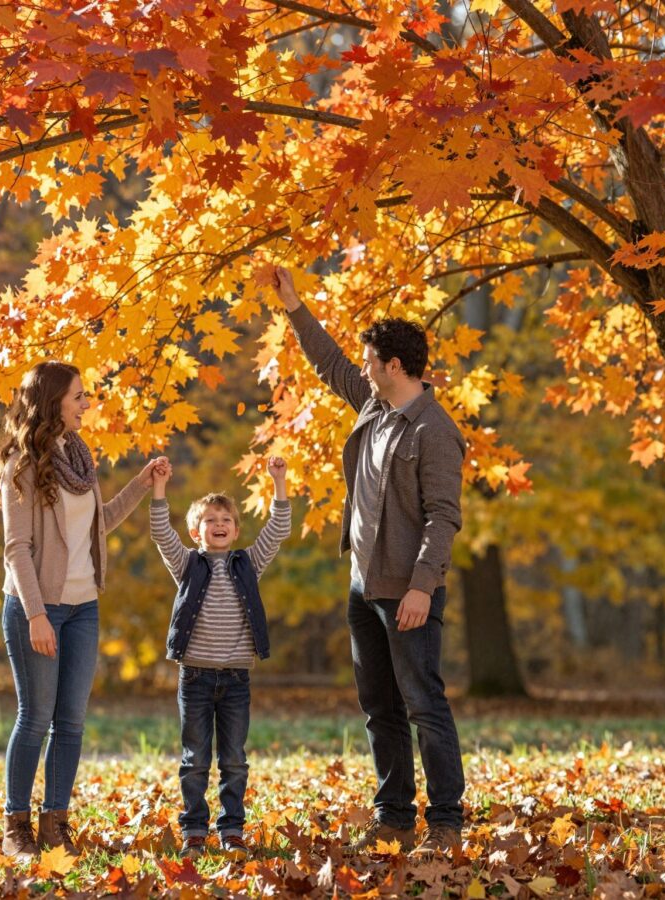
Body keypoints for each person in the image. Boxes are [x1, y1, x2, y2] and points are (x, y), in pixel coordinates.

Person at [270, 266, 467, 859]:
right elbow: (330, 363)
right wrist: (294, 305)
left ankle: (446, 822)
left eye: (370, 362)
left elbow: (443, 518)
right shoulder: (374, 409)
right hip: (363, 585)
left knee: (424, 704)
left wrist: (422, 588)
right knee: (380, 708)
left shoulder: (434, 431)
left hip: (407, 592)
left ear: (395, 366)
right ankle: (394, 818)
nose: (361, 370)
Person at [0, 361, 161, 859]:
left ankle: (55, 825)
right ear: (53, 402)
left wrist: (141, 484)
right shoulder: (21, 465)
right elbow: (17, 549)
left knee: (71, 722)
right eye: (79, 396)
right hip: (36, 607)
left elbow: (96, 524)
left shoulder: (78, 456)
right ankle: (16, 826)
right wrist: (37, 615)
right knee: (35, 718)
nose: (87, 403)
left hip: (84, 607)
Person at [148, 455, 292, 859]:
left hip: (236, 679)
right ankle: (194, 829)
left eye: (226, 519)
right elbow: (160, 532)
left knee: (234, 759)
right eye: (210, 519)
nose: (219, 524)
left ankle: (232, 830)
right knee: (195, 759)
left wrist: (279, 482)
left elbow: (279, 528)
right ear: (197, 531)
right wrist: (159, 487)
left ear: (236, 530)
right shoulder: (188, 564)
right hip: (195, 677)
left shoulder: (248, 564)